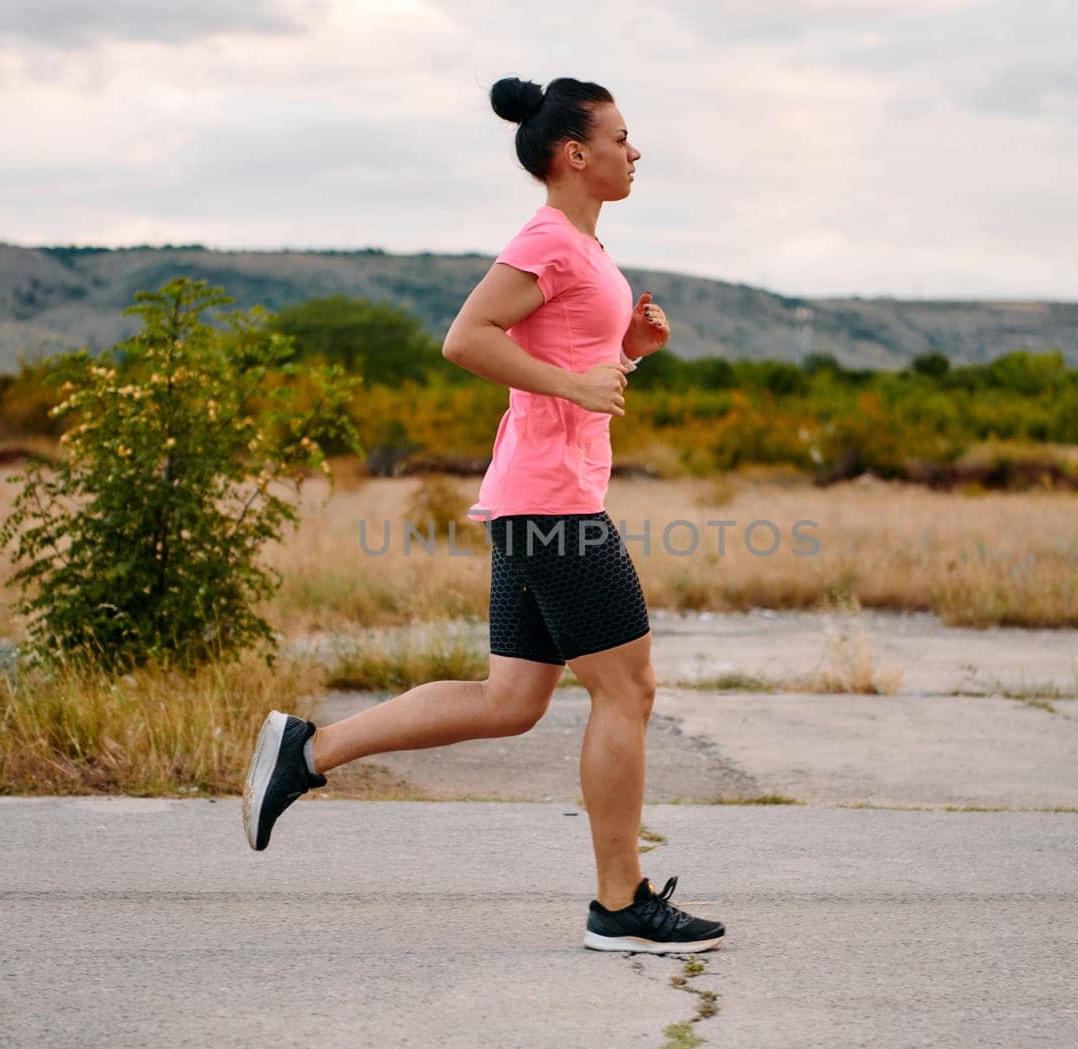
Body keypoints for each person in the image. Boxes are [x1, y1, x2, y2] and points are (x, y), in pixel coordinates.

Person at [242, 75, 725, 955]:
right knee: (628, 689)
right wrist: (580, 379)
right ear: (576, 154)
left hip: (535, 495)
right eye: (622, 136)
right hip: (554, 503)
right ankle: (621, 902)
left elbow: (568, 363)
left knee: (512, 699)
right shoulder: (550, 238)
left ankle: (306, 751)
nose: (635, 150)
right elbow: (466, 338)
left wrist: (626, 353)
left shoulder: (582, 246)